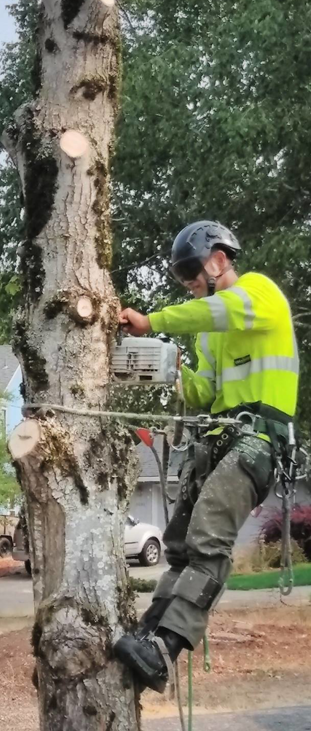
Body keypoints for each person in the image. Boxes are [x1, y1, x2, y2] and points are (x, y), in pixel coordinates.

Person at [114, 220, 298, 693]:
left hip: (258, 438)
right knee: (178, 546)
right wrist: (173, 370)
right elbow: (205, 392)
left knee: (208, 537)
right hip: (220, 439)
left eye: (193, 274)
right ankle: (147, 635)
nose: (192, 285)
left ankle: (164, 650)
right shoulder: (210, 331)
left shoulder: (259, 294)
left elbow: (219, 310)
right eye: (184, 280)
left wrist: (152, 321)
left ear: (219, 258)